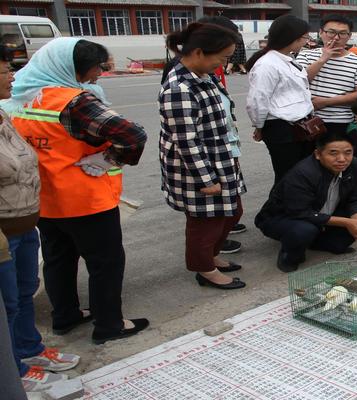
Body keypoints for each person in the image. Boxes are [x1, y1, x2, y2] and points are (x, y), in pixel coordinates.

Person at [2, 38, 149, 344]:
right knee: (105, 263)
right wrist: (109, 158)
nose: (99, 73)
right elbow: (132, 135)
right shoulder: (75, 101)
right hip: (85, 200)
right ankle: (109, 325)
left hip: (43, 201)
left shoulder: (20, 96)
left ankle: (65, 316)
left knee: (58, 259)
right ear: (74, 68)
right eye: (96, 67)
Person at [0, 47, 81, 393]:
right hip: (3, 233)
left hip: (24, 222)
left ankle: (29, 349)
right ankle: (12, 368)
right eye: (4, 70)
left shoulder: (4, 115)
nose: (13, 76)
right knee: (7, 302)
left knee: (22, 292)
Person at [160, 23, 246, 290]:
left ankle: (212, 256)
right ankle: (204, 269)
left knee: (231, 212)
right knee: (205, 222)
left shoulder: (202, 76)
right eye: (222, 57)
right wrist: (206, 179)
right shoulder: (179, 88)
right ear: (198, 52)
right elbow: (186, 140)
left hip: (221, 156)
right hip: (199, 166)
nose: (224, 63)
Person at [254, 132, 357, 272]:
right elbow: (300, 212)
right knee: (304, 230)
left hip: (323, 212)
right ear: (318, 154)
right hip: (282, 217)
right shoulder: (303, 173)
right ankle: (289, 255)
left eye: (348, 153)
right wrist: (347, 223)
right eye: (333, 153)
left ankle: (327, 244)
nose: (342, 159)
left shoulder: (355, 165)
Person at [246, 15, 314, 185]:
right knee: (288, 177)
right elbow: (257, 100)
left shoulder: (287, 59)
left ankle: (294, 209)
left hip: (299, 126)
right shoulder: (267, 64)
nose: (306, 41)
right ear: (293, 38)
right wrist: (259, 126)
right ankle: (278, 211)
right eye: (305, 37)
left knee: (299, 175)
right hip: (282, 128)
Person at [295, 14, 357, 135]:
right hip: (306, 121)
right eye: (331, 32)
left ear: (349, 36)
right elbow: (298, 82)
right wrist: (323, 59)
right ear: (321, 32)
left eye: (342, 33)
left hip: (341, 122)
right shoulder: (305, 55)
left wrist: (325, 102)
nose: (336, 38)